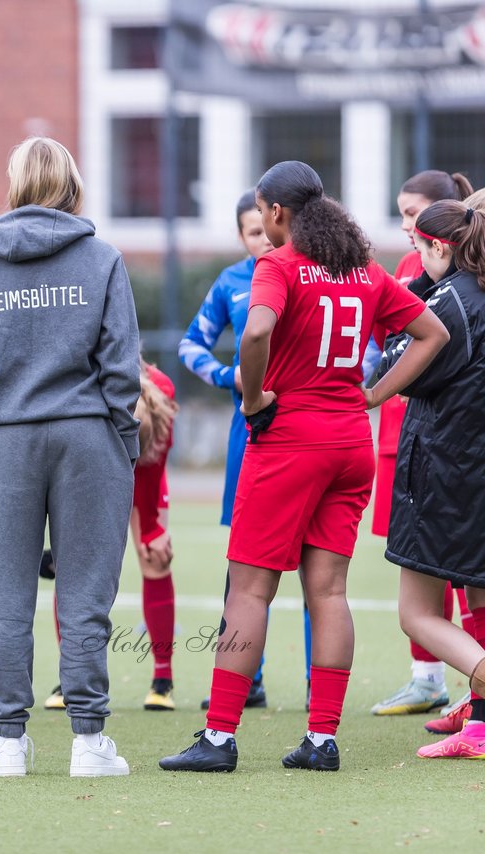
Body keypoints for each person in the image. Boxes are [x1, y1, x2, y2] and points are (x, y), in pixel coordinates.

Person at [159, 161, 448, 774]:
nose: (262, 224)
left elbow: (256, 330)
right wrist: (373, 395)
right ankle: (321, 739)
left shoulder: (279, 264)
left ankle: (218, 738)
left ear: (277, 212)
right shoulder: (362, 270)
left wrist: (256, 398)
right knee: (330, 591)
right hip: (349, 442)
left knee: (249, 588)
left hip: (289, 442)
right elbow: (432, 334)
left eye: (263, 212)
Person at [0, 136, 141, 778]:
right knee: (85, 596)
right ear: (72, 183)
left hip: (6, 436)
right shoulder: (102, 257)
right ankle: (88, 741)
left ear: (15, 184)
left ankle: (9, 741)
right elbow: (121, 365)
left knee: (5, 598)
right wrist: (124, 439)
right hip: (88, 435)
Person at [177, 190, 291, 712]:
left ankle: (320, 683)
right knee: (244, 559)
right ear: (241, 235)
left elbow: (369, 351)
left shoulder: (313, 274)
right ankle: (248, 679)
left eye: (266, 226)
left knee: (319, 566)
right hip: (250, 431)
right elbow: (189, 346)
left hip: (307, 427)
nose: (262, 238)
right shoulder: (231, 284)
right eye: (250, 231)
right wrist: (229, 376)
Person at [370, 170, 476, 719]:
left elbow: (404, 365)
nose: (406, 232)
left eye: (414, 223)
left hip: (448, 467)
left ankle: (475, 690)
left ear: (441, 241)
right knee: (475, 593)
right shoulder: (463, 289)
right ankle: (476, 712)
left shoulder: (452, 301)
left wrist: (371, 391)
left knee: (419, 609)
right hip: (457, 462)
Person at [42, 360, 179, 711]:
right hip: (94, 467)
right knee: (73, 568)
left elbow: (154, 466)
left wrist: (152, 530)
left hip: (147, 473)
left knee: (154, 557)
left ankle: (163, 679)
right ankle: (71, 676)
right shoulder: (85, 392)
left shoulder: (162, 395)